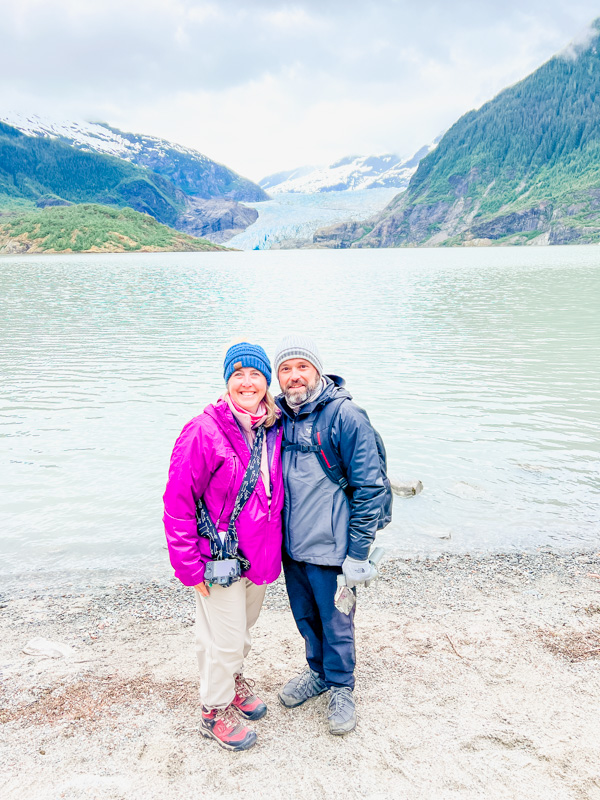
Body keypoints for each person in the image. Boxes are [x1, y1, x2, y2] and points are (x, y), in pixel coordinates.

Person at [163, 342, 284, 752]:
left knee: (236, 632)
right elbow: (177, 502)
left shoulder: (272, 426)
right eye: (238, 375)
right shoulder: (203, 430)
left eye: (255, 375)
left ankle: (230, 682)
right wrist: (188, 567)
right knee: (226, 639)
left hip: (258, 556)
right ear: (227, 382)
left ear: (266, 382)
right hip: (218, 558)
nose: (247, 383)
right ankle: (212, 710)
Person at [273, 334, 384, 735]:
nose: (294, 376)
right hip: (292, 547)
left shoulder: (346, 416)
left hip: (334, 550)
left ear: (318, 370)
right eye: (285, 369)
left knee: (337, 624)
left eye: (302, 366)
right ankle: (317, 672)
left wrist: (358, 553)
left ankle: (341, 686)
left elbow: (370, 488)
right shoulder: (278, 417)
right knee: (305, 618)